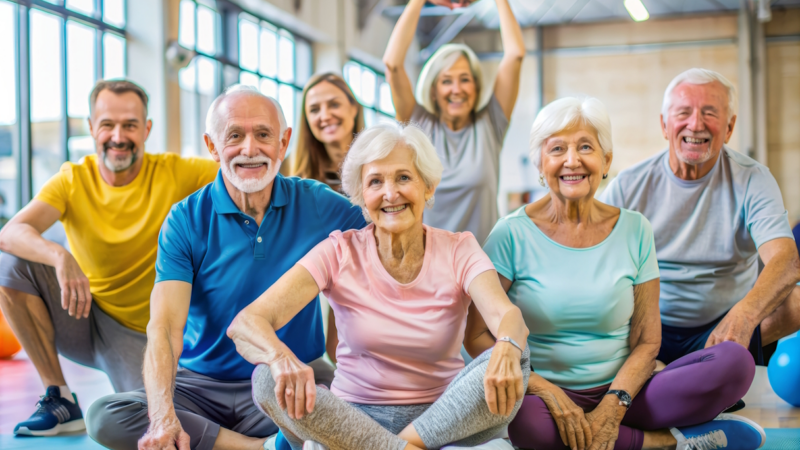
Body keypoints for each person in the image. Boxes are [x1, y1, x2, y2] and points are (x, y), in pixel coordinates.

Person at [85, 85, 367, 450]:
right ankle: (259, 447)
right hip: (200, 388)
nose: (250, 149)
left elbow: (384, 231)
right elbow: (166, 327)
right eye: (234, 136)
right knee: (107, 416)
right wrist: (163, 416)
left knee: (349, 405)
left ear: (284, 143)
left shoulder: (320, 205)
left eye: (263, 135)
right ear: (213, 146)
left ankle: (228, 443)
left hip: (289, 378)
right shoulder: (186, 219)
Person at [478, 97, 766, 450]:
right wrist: (546, 390)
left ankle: (604, 434)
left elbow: (647, 340)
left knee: (735, 363)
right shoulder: (510, 234)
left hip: (627, 392)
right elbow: (476, 334)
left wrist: (613, 406)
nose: (572, 160)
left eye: (586, 147)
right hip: (546, 400)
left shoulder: (634, 229)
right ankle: (667, 443)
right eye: (557, 149)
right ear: (540, 163)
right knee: (525, 425)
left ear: (605, 161)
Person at [228, 122, 530, 450]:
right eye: (375, 181)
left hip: (444, 418)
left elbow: (506, 316)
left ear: (428, 188)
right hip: (352, 420)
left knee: (518, 352)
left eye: (403, 177)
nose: (390, 193)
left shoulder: (459, 248)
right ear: (361, 196)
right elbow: (246, 324)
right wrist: (280, 358)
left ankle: (399, 445)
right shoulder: (338, 250)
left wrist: (506, 346)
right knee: (267, 379)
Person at [0, 80, 218, 437]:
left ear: (146, 129)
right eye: (107, 125)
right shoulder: (73, 179)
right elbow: (10, 234)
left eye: (130, 125)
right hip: (85, 317)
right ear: (91, 128)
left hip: (145, 337)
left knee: (158, 419)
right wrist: (60, 256)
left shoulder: (178, 173)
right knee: (10, 266)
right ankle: (60, 399)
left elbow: (245, 175)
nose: (118, 136)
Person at [600, 68, 800, 366]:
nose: (695, 124)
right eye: (684, 112)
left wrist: (744, 314)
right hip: (645, 328)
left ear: (729, 127)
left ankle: (711, 358)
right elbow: (593, 262)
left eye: (710, 113)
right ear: (664, 125)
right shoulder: (629, 185)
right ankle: (674, 366)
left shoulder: (753, 179)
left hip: (723, 328)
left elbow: (786, 262)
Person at [383, 0, 525, 243]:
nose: (456, 89)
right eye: (447, 81)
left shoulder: (490, 123)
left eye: (465, 79)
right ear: (434, 89)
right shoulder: (418, 125)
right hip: (427, 267)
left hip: (483, 262)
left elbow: (515, 55)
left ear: (477, 86)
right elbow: (393, 64)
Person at [292, 72, 365, 192]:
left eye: (334, 105)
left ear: (354, 108)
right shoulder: (295, 183)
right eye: (314, 110)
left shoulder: (379, 163)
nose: (325, 116)